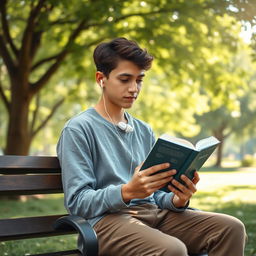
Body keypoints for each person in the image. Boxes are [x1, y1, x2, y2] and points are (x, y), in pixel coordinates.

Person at [57, 37, 247, 256]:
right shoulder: (78, 129)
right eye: (125, 79)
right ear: (101, 79)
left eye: (139, 80)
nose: (134, 88)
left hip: (154, 214)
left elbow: (154, 195)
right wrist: (126, 192)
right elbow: (77, 202)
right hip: (106, 223)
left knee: (231, 229)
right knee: (173, 250)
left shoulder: (143, 129)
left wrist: (177, 199)